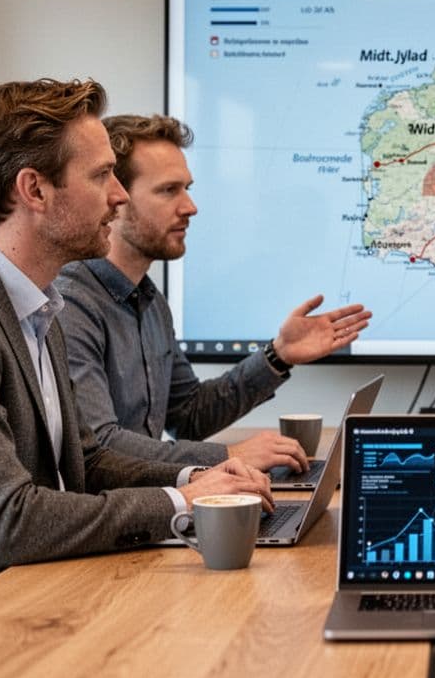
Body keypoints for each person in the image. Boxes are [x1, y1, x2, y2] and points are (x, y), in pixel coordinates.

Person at [0, 79, 275, 636]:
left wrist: (198, 474)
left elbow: (83, 461)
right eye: (101, 175)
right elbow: (7, 521)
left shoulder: (33, 302)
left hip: (33, 595)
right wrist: (182, 501)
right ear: (34, 190)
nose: (118, 196)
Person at [55, 114, 370, 470]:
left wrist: (278, 355)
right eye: (169, 190)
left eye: (187, 188)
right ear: (116, 198)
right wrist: (229, 456)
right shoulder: (69, 305)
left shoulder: (150, 301)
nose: (190, 207)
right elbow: (101, 446)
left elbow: (187, 416)